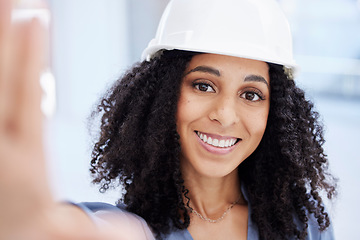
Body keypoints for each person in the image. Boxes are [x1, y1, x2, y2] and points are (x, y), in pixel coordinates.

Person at [0, 0, 337, 239]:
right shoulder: (133, 227)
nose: (225, 115)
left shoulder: (302, 223)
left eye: (251, 94)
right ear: (162, 95)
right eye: (204, 85)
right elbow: (84, 228)